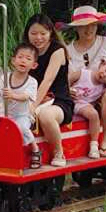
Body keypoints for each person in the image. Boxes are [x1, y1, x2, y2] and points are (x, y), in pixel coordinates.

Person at [65, 5, 106, 158]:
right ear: (76, 28)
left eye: (92, 25)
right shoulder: (67, 50)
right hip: (81, 97)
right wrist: (68, 90)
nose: (89, 30)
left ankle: (104, 143)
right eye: (83, 26)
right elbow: (64, 78)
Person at [20, 14, 75, 166]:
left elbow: (48, 80)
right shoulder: (27, 51)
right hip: (33, 97)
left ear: (51, 33)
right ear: (27, 34)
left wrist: (33, 105)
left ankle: (58, 152)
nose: (38, 38)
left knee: (46, 116)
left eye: (43, 33)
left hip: (58, 100)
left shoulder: (58, 51)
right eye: (33, 34)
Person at [0, 41, 44, 168]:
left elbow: (26, 96)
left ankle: (35, 149)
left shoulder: (32, 82)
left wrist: (13, 95)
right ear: (13, 60)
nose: (23, 61)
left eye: (28, 58)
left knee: (21, 127)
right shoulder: (6, 77)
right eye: (20, 57)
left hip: (22, 115)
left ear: (34, 65)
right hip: (5, 112)